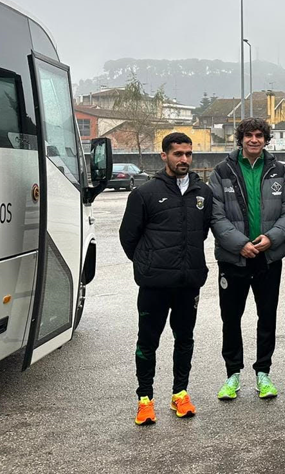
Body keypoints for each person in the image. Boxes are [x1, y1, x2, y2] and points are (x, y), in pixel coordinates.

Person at [120, 132, 213, 425]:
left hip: (189, 283)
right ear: (164, 156)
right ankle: (145, 399)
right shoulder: (144, 194)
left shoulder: (203, 193)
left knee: (184, 339)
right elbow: (128, 238)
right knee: (148, 341)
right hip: (154, 284)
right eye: (177, 154)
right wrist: (149, 264)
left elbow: (204, 231)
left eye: (188, 154)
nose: (184, 159)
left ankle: (180, 394)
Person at [210, 118, 285, 401]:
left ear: (266, 139)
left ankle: (263, 373)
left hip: (268, 257)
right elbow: (216, 216)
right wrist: (239, 244)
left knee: (267, 317)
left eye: (259, 135)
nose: (254, 140)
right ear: (241, 138)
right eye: (249, 135)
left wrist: (272, 238)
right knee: (231, 318)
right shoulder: (222, 171)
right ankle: (232, 374)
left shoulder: (279, 170)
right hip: (233, 259)